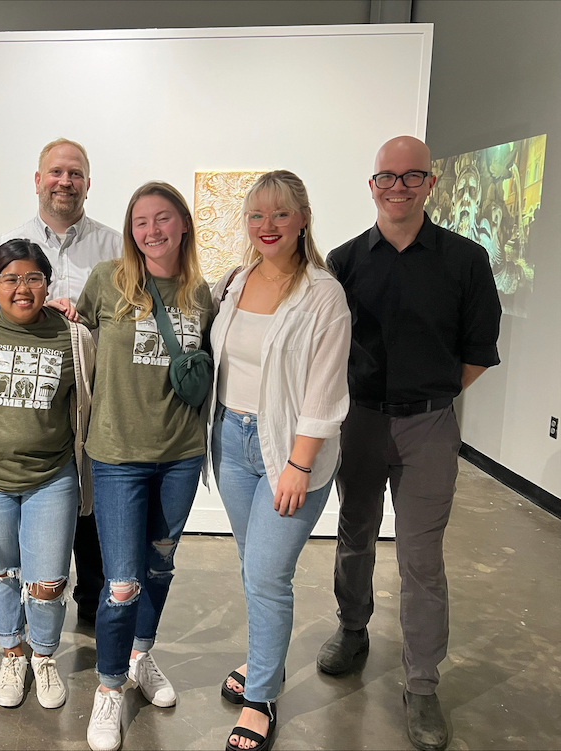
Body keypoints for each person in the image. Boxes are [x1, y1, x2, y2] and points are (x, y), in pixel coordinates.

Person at [320, 136, 501, 751]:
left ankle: (421, 683)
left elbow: (479, 350)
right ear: (371, 186)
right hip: (361, 420)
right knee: (355, 535)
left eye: (411, 176)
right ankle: (352, 628)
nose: (398, 186)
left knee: (422, 559)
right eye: (387, 177)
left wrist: (432, 396)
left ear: (430, 184)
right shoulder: (342, 263)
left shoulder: (466, 260)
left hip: (428, 424)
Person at [209, 171, 351, 751]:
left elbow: (326, 387)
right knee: (253, 566)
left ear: (303, 220)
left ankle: (261, 696)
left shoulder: (323, 294)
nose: (267, 227)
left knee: (268, 574)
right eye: (256, 216)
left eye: (280, 215)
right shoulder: (234, 281)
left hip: (290, 451)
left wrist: (298, 463)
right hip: (230, 441)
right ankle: (264, 661)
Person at [76, 181, 215, 751]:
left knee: (160, 566)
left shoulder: (202, 292)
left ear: (183, 223)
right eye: (140, 222)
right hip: (117, 457)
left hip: (181, 455)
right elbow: (75, 334)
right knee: (121, 583)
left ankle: (140, 657)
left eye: (163, 219)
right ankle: (108, 690)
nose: (152, 231)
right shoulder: (107, 281)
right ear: (130, 231)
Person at [0, 138, 120, 634]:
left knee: (89, 518)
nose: (65, 181)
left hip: (92, 403)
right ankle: (11, 613)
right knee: (18, 523)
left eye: (75, 173)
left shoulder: (115, 247)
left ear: (88, 183)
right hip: (24, 406)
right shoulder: (7, 244)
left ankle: (88, 607)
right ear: (38, 181)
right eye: (56, 172)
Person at [0, 239, 95, 709]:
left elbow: (90, 403)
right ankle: (12, 652)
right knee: (0, 573)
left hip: (51, 478)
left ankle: (44, 655)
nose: (22, 289)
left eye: (34, 278)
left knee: (48, 580)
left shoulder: (71, 335)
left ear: (48, 284)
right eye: (10, 279)